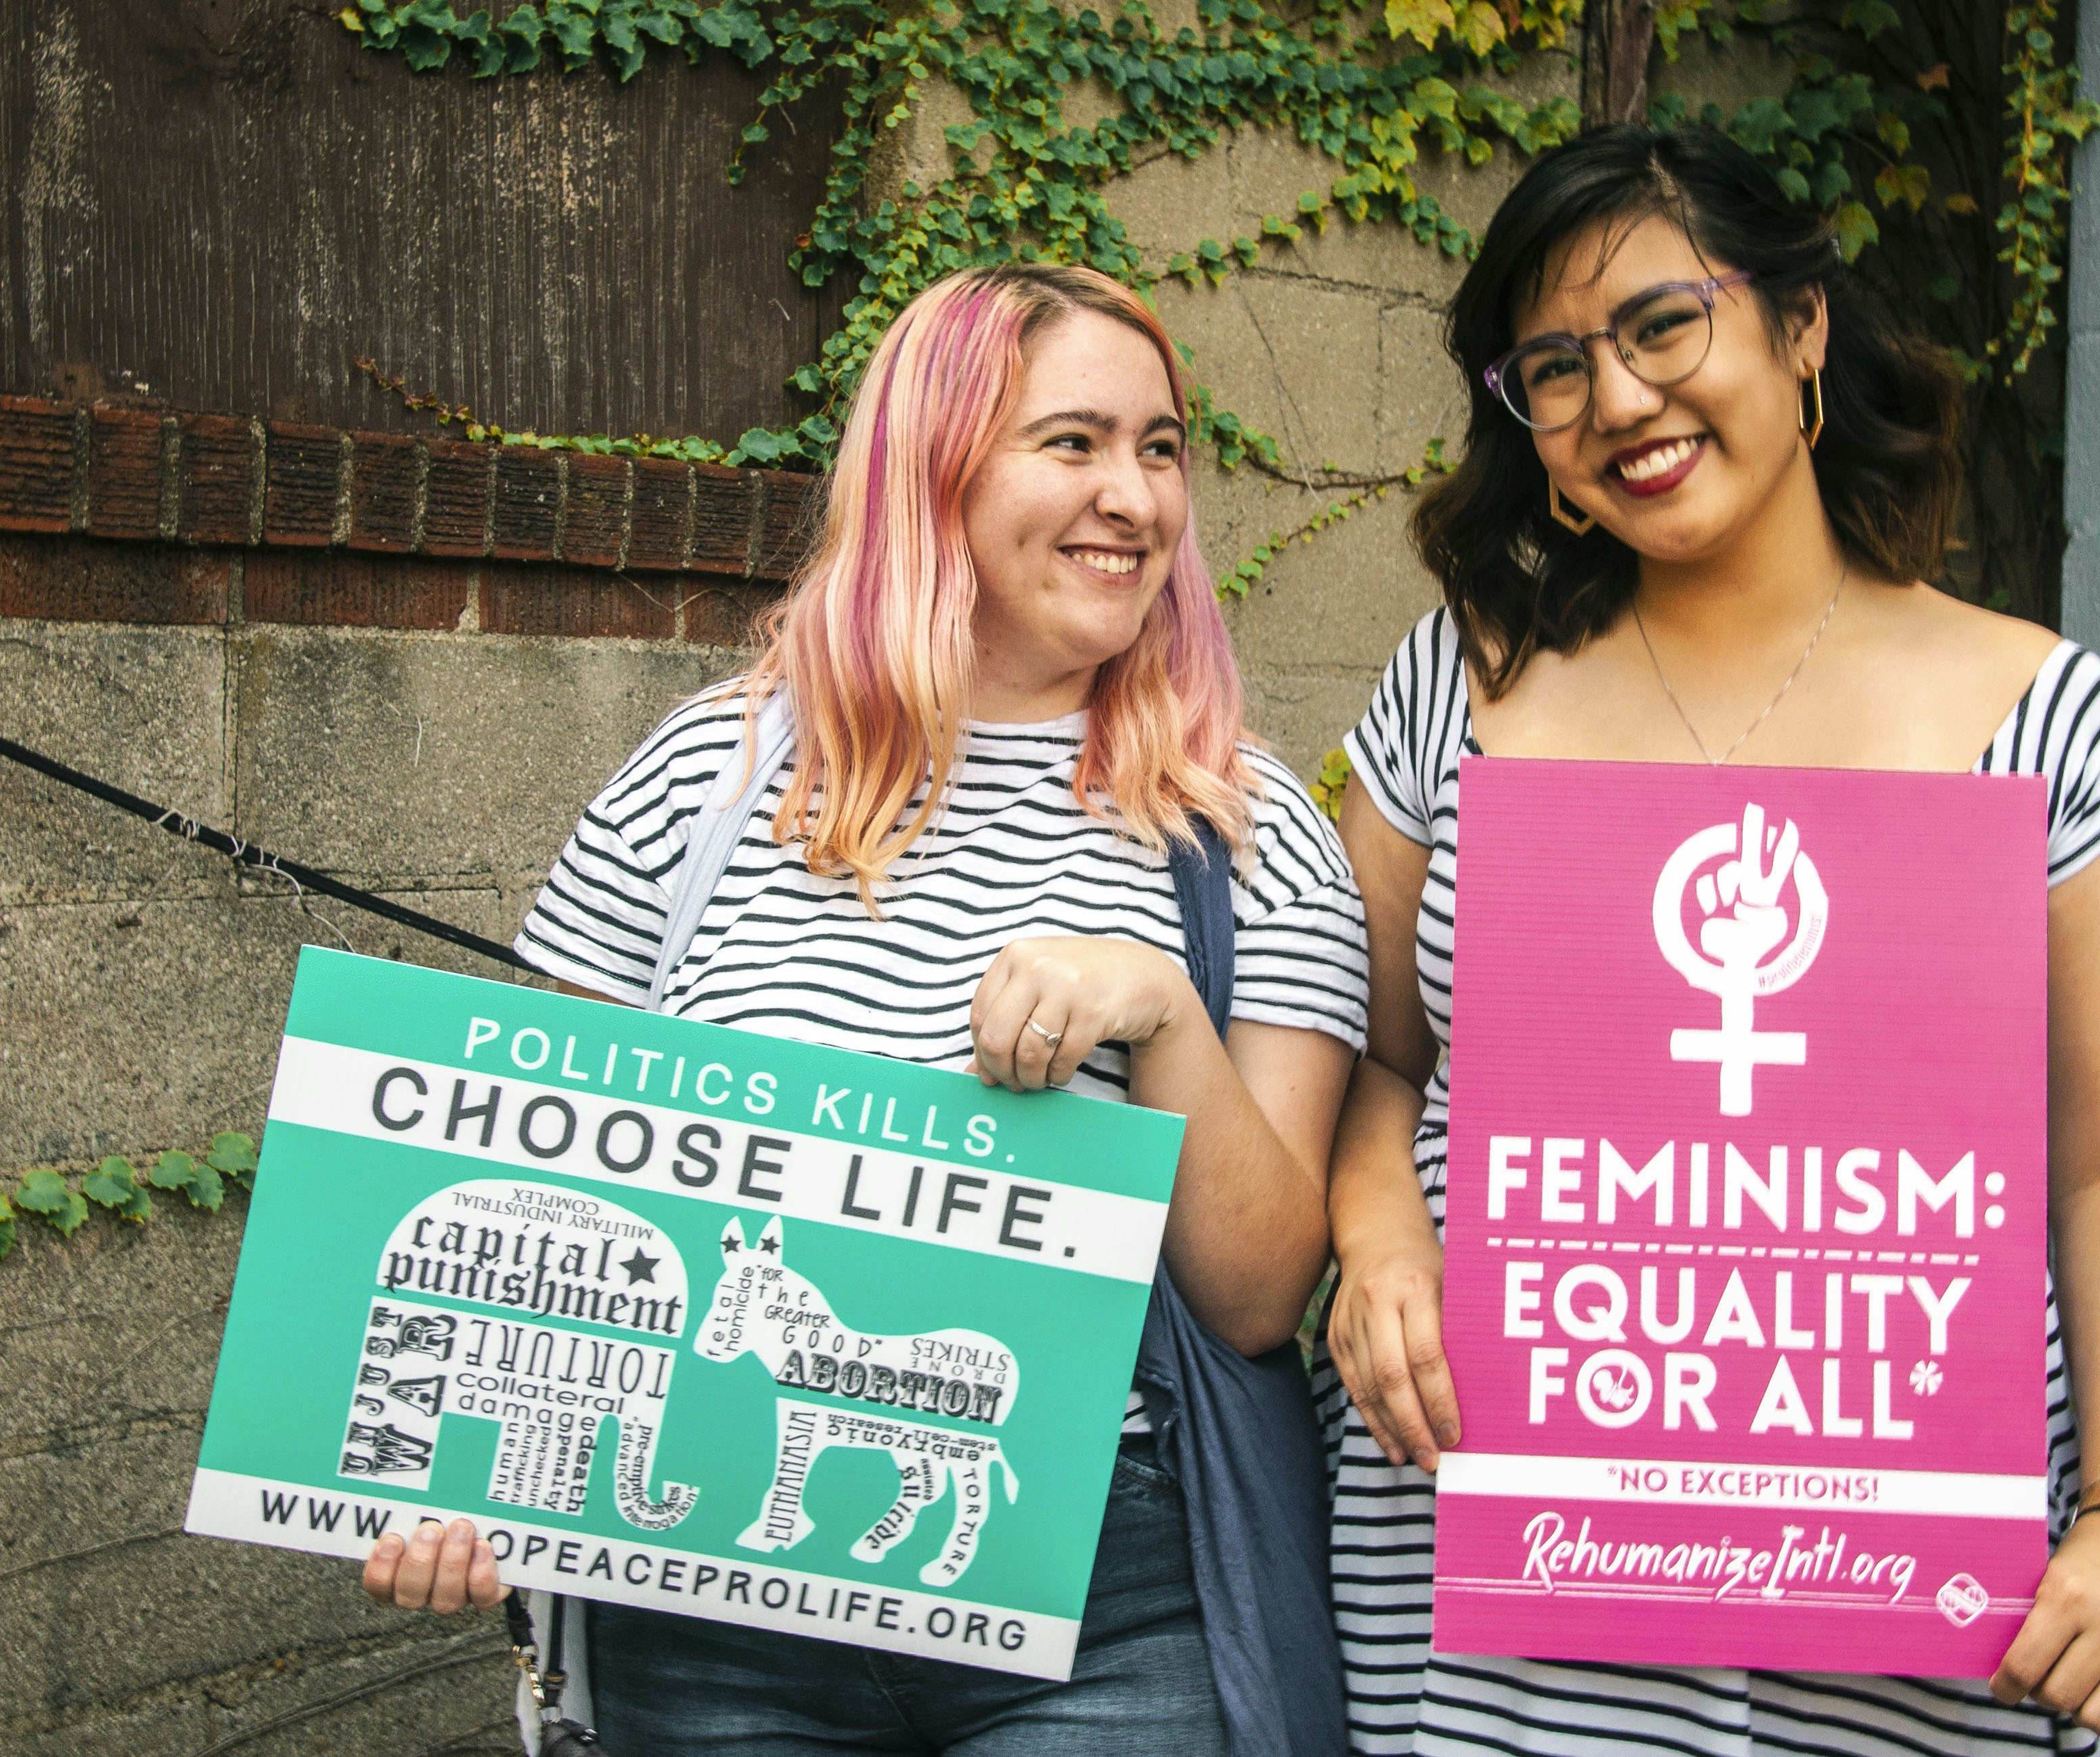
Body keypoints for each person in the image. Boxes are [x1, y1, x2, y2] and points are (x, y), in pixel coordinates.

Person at [357, 263, 1370, 1756]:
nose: (1136, 499)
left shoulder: (1245, 826)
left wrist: (1159, 1013)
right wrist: (459, 1465)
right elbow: (536, 1201)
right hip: (704, 1612)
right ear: (933, 468)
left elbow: (1258, 1294)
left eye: (1159, 449)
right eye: (1072, 442)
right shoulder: (701, 780)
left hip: (1105, 1605)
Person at [1317, 125, 2100, 1755]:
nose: (1619, 401)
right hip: (1508, 1541)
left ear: (1798, 328)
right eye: (1554, 367)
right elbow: (1373, 1063)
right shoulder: (1459, 688)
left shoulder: (2042, 714)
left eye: (1663, 323)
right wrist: (1379, 1244)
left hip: (1905, 1597)